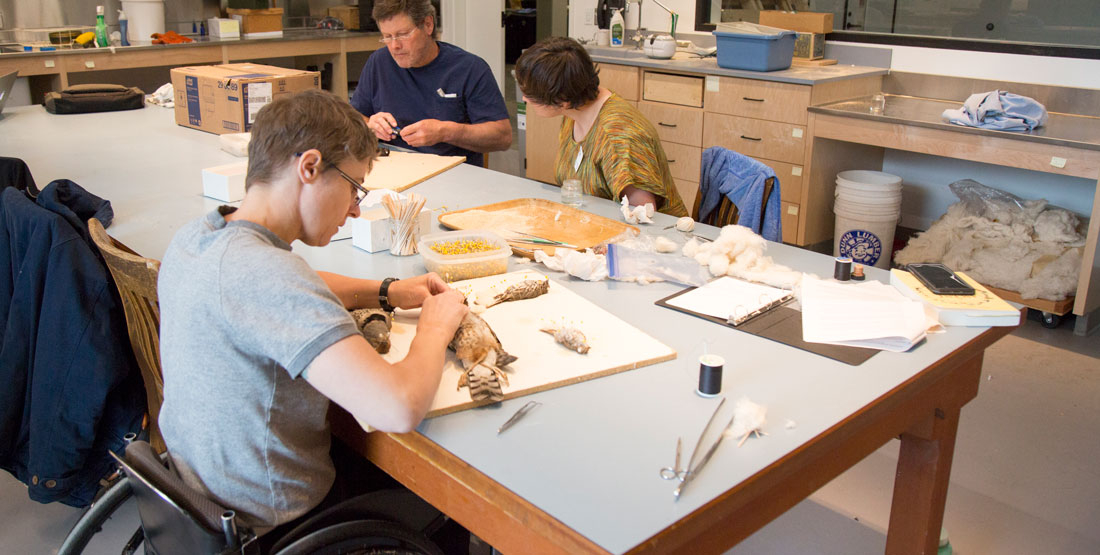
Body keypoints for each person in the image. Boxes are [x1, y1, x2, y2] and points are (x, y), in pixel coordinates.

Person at [157, 89, 469, 538]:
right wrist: (435, 329)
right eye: (355, 187)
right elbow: (397, 408)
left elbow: (298, 284)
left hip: (200, 501)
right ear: (309, 167)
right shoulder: (269, 278)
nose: (357, 208)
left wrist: (388, 290)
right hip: (275, 522)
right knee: (445, 508)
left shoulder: (200, 237)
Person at [515, 36, 688, 217]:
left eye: (529, 94)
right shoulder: (573, 112)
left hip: (649, 237)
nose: (525, 98)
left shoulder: (618, 137)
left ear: (562, 99)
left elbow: (642, 216)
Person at [351, 0, 512, 167]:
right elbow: (352, 118)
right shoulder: (379, 62)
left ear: (428, 25)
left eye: (403, 34)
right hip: (392, 167)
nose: (394, 46)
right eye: (387, 37)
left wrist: (446, 132)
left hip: (451, 173)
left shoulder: (469, 68)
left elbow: (502, 137)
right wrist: (370, 125)